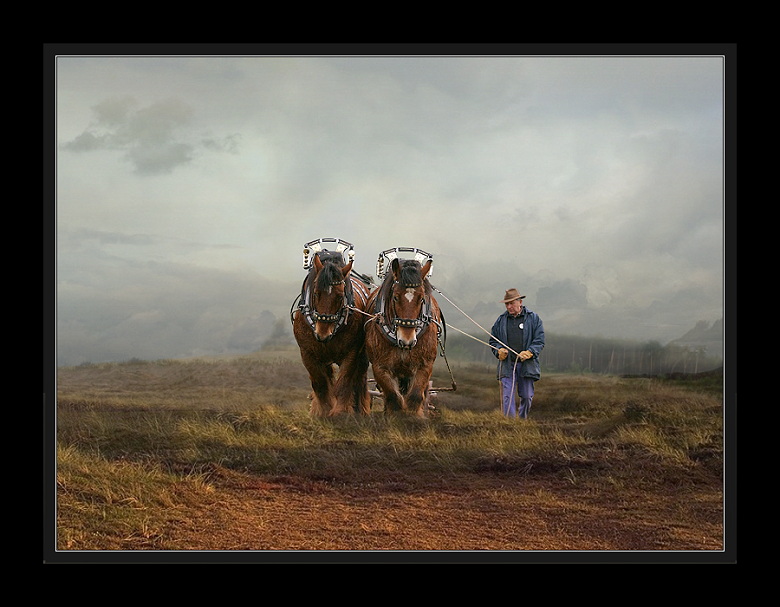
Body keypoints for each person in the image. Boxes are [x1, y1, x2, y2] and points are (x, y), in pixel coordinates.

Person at [489, 288, 545, 419]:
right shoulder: (501, 320)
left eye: (511, 303)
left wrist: (531, 352)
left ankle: (522, 420)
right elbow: (493, 340)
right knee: (507, 397)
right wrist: (498, 351)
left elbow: (539, 340)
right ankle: (510, 424)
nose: (509, 307)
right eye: (506, 304)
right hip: (507, 365)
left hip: (527, 365)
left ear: (520, 302)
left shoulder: (534, 318)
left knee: (526, 396)